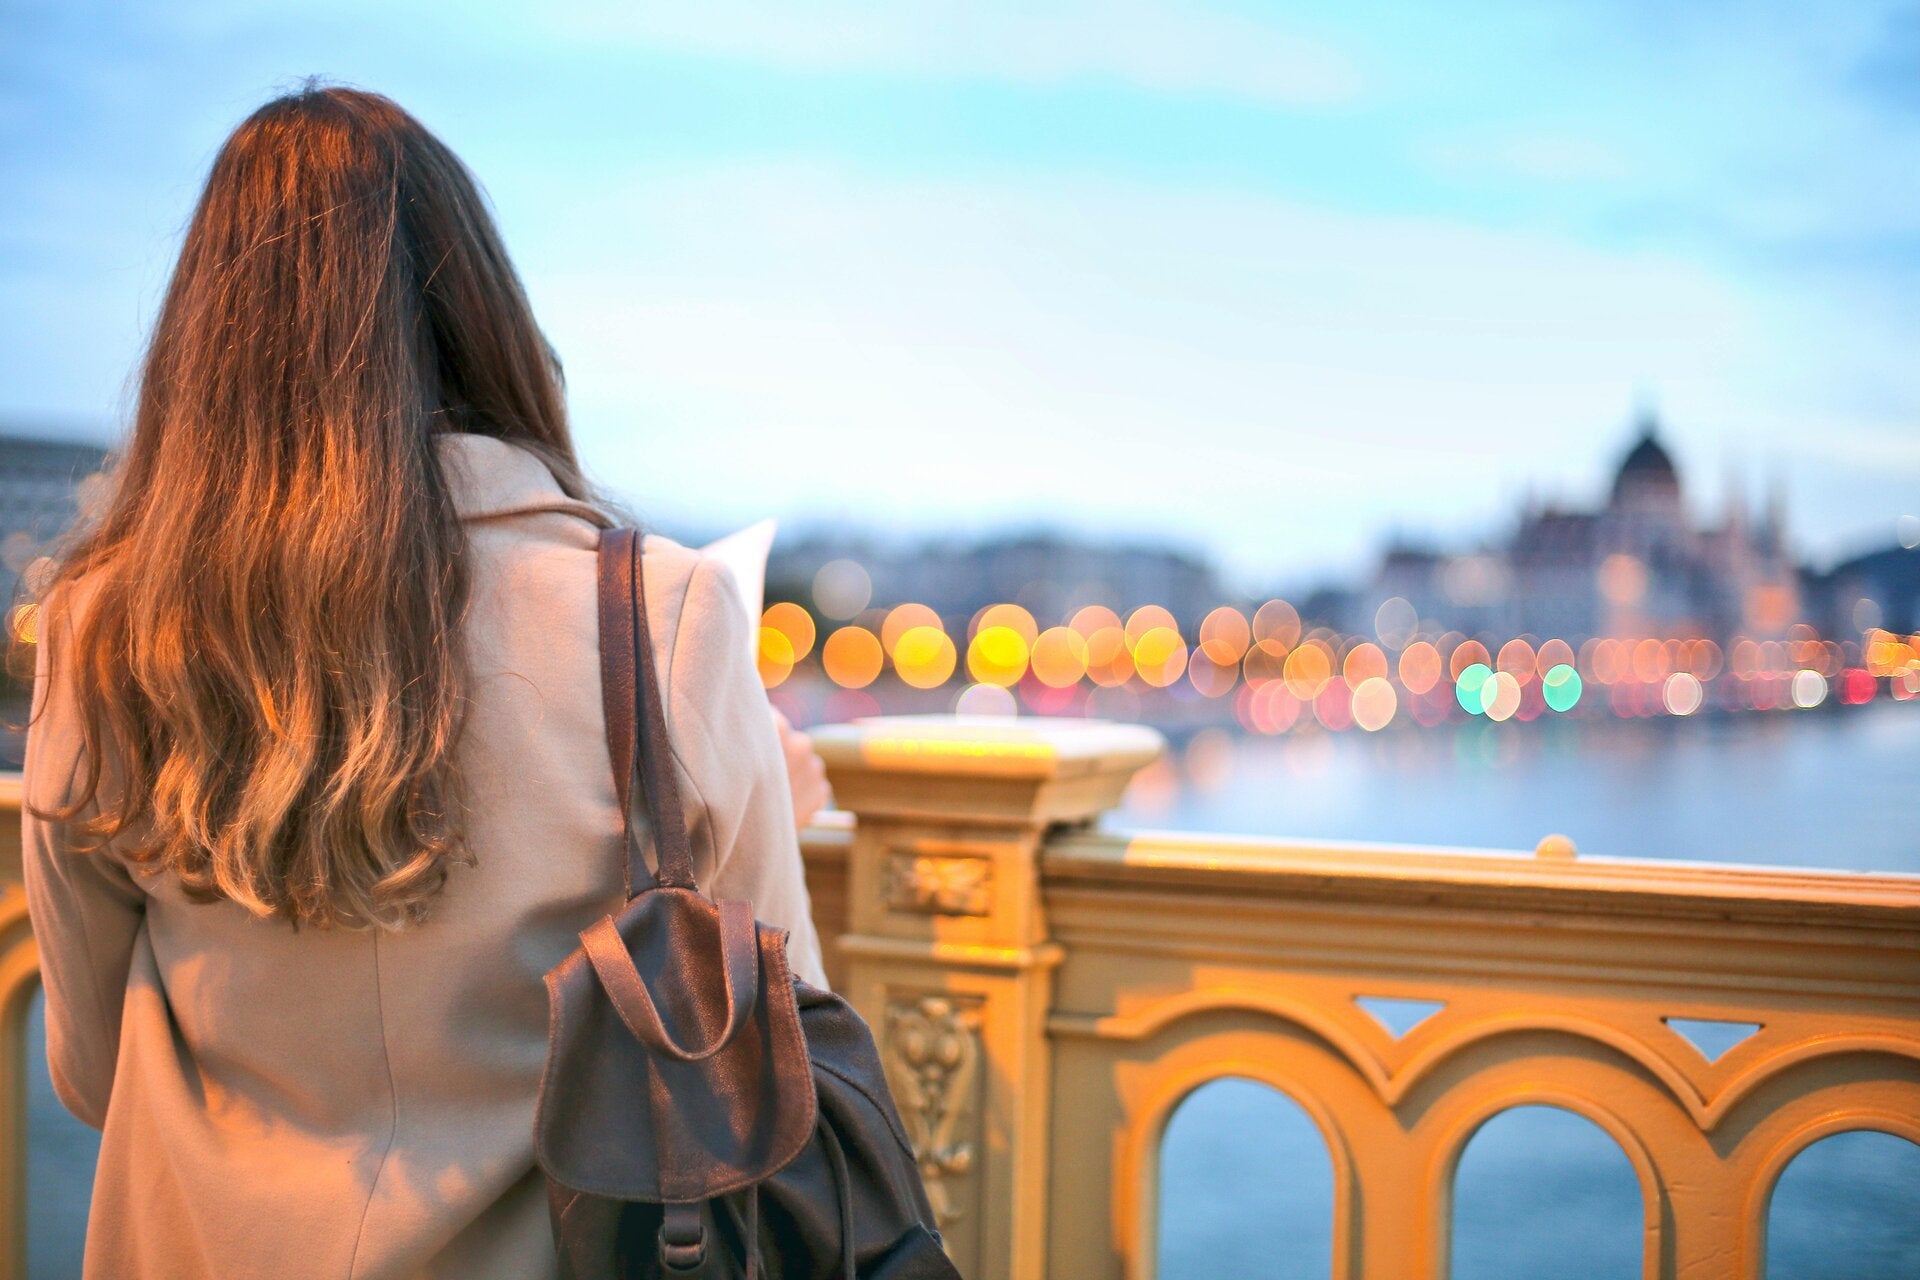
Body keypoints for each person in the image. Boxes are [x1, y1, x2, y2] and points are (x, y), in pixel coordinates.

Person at [16, 83, 830, 1280]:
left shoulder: (102, 627)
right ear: (484, 315)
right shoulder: (663, 614)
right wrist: (775, 800)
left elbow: (91, 1069)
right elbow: (777, 1051)